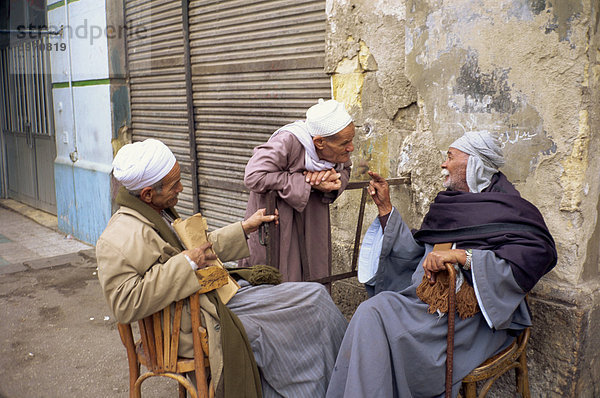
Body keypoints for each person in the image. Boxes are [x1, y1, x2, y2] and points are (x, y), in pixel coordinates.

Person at [96, 139, 347, 398]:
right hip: (188, 324)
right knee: (291, 326)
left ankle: (346, 379)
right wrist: (186, 264)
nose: (181, 189)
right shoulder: (118, 237)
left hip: (212, 298)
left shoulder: (156, 212)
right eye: (174, 185)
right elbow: (124, 303)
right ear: (148, 193)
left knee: (315, 296)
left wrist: (244, 228)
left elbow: (195, 250)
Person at [326, 131, 557, 398]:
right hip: (426, 305)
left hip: (472, 321)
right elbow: (418, 256)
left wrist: (463, 257)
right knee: (371, 313)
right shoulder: (449, 205)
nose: (443, 164)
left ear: (473, 164)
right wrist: (386, 210)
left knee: (375, 319)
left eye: (449, 157)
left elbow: (532, 260)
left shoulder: (513, 209)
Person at [240, 99, 355, 282]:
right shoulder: (288, 141)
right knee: (280, 281)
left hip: (313, 223)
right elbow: (254, 175)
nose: (351, 148)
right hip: (278, 225)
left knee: (315, 276)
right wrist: (306, 182)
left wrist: (331, 179)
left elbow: (346, 170)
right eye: (345, 143)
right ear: (319, 142)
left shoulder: (337, 151)